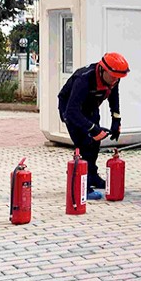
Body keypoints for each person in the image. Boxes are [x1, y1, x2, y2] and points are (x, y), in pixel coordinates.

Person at [58, 52, 129, 200]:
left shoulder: (114, 79)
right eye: (113, 76)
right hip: (71, 109)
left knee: (95, 143)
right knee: (84, 144)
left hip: (91, 107)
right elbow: (72, 110)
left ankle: (92, 176)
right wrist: (92, 128)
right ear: (103, 70)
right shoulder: (84, 79)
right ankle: (82, 184)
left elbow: (114, 99)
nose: (115, 80)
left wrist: (116, 122)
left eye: (118, 78)